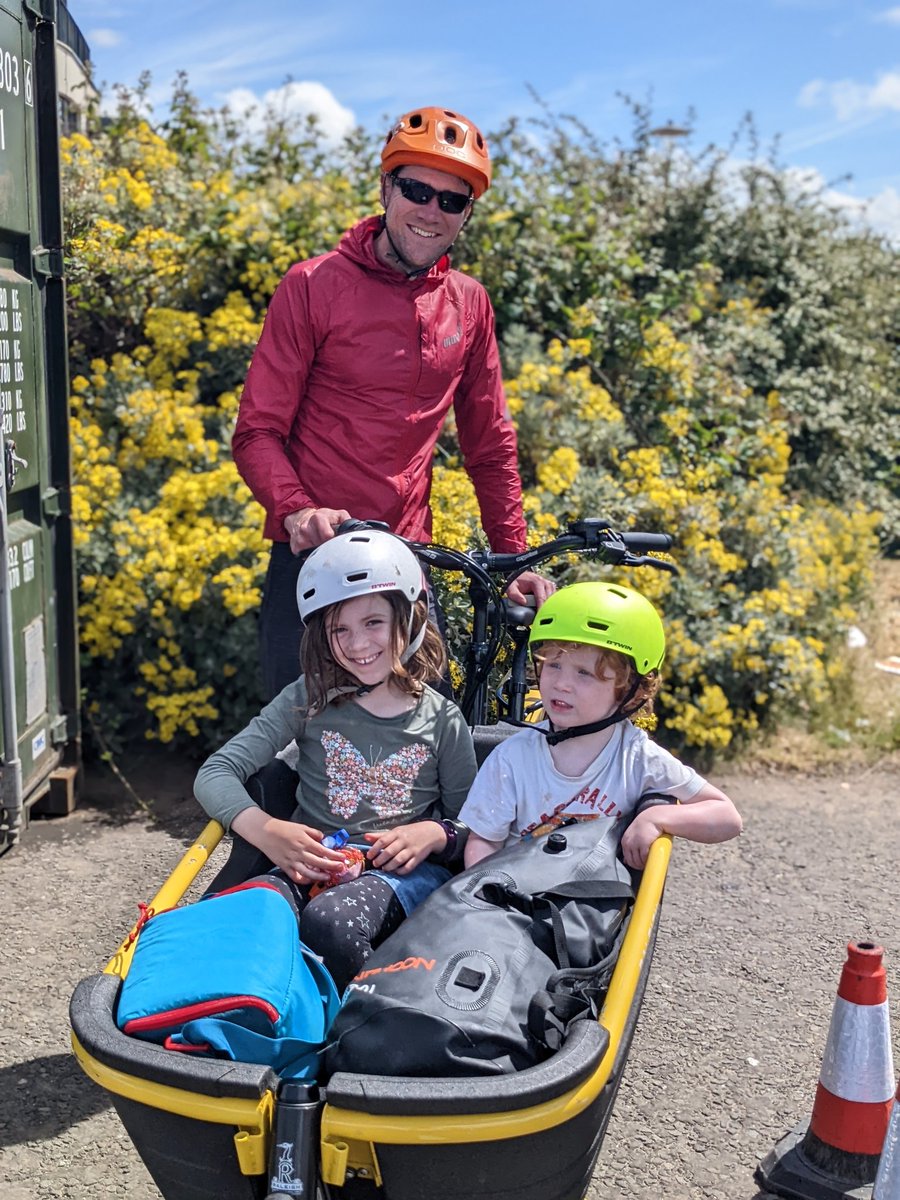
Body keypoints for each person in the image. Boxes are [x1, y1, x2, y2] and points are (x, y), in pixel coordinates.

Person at [231, 105, 553, 699]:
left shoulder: (469, 303)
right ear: (386, 187)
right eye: (416, 189)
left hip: (408, 560)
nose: (431, 212)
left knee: (434, 752)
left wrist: (513, 558)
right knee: (295, 756)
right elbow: (257, 432)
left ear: (467, 214)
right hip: (313, 553)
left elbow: (490, 447)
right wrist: (298, 509)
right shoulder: (312, 285)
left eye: (451, 201)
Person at [194, 529, 476, 991]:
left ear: (408, 619)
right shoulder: (307, 698)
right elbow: (216, 772)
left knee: (331, 925)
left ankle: (355, 1036)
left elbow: (476, 827)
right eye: (339, 628)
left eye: (373, 623)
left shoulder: (442, 719)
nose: (357, 643)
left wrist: (433, 833)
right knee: (245, 917)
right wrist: (267, 831)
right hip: (308, 861)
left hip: (399, 878)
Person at [459, 581, 743, 869]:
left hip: (589, 907)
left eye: (584, 673)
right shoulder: (512, 757)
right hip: (513, 898)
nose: (562, 684)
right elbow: (484, 841)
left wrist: (656, 817)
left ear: (631, 690)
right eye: (553, 665)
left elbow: (727, 817)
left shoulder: (635, 757)